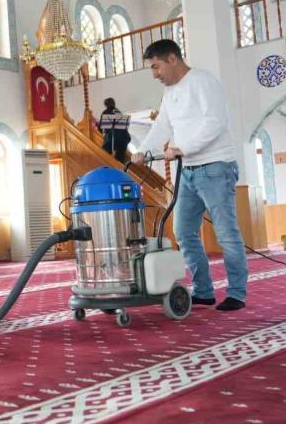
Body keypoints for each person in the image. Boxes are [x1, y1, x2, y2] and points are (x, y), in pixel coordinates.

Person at [130, 39, 248, 311]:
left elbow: (214, 122)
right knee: (183, 231)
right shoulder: (170, 92)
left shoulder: (202, 82)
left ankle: (237, 294)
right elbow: (162, 126)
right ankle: (204, 291)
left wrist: (183, 148)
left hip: (215, 166)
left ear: (172, 59)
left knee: (226, 233)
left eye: (156, 67)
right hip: (188, 171)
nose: (154, 74)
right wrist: (143, 150)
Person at [98, 97, 132, 163]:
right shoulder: (118, 112)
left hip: (112, 137)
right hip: (123, 137)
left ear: (106, 105)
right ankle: (119, 166)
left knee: (104, 153)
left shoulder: (105, 112)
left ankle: (107, 165)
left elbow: (100, 127)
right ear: (114, 104)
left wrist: (102, 132)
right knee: (120, 157)